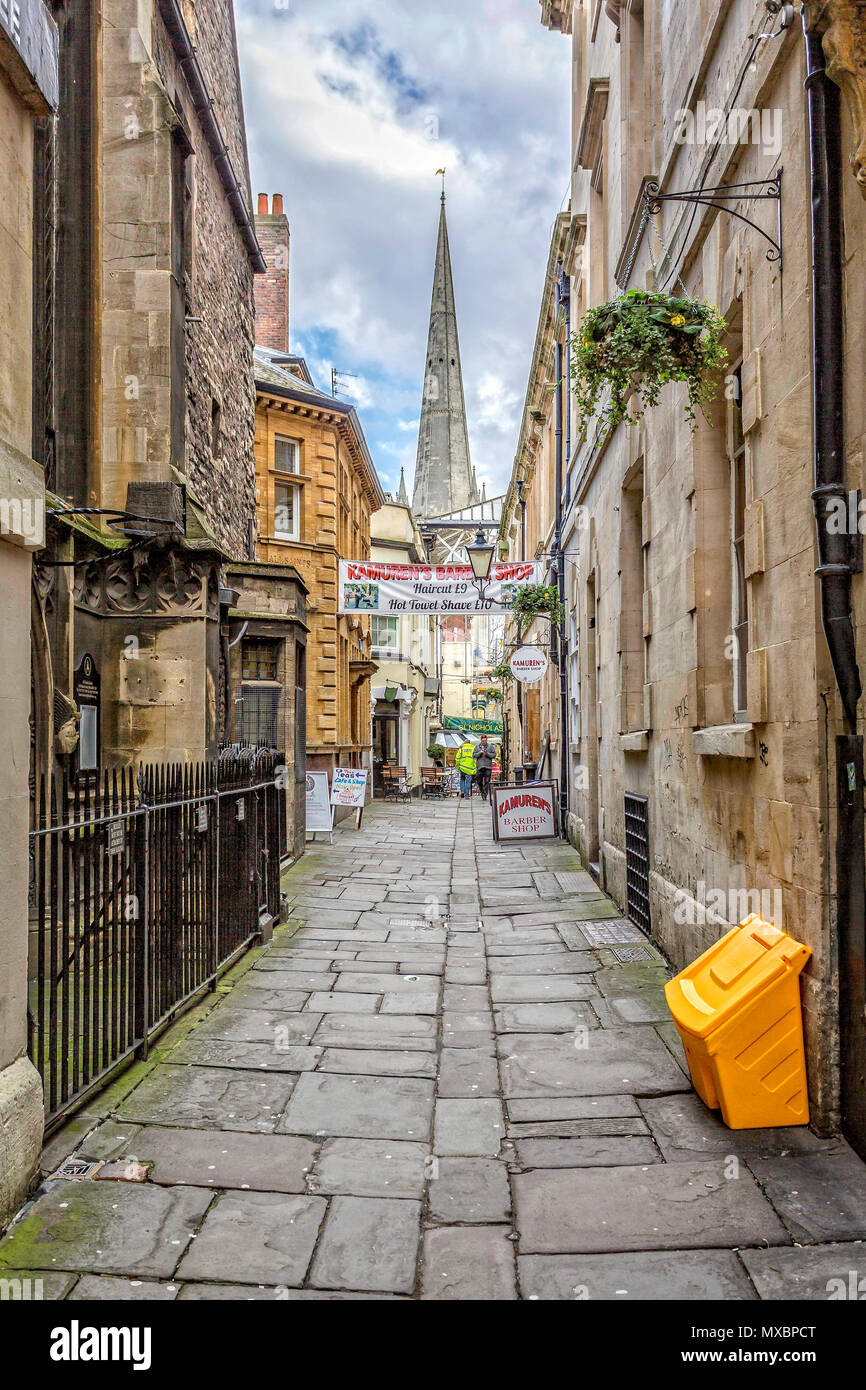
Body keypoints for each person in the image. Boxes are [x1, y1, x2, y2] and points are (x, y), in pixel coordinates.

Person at [474, 735, 495, 801]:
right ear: (481, 740)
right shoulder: (477, 747)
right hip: (479, 767)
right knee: (479, 780)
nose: (484, 742)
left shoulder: (490, 746)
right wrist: (479, 753)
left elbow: (494, 755)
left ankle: (485, 795)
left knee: (486, 781)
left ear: (486, 740)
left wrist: (487, 754)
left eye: (485, 741)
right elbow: (474, 755)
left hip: (488, 766)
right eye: (483, 741)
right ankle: (482, 791)